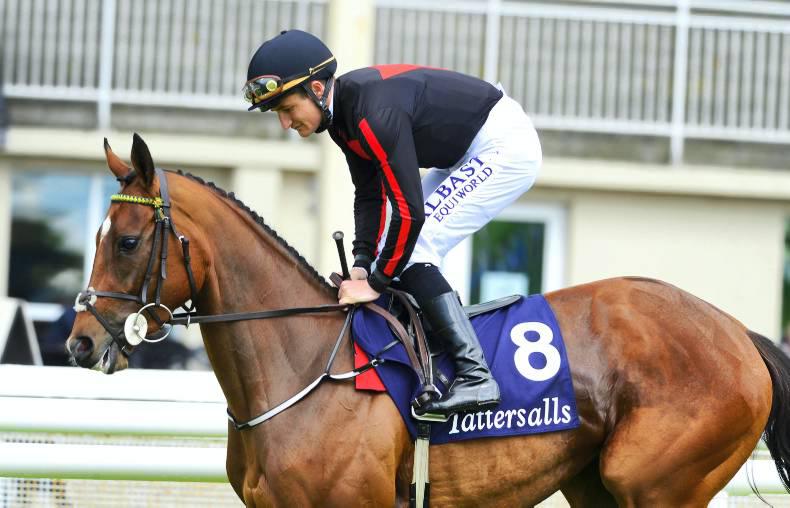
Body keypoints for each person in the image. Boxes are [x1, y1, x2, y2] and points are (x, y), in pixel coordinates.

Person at [243, 30, 542, 417]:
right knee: (393, 248)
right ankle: (425, 349)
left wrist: (375, 283)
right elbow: (370, 194)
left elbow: (409, 212)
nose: (285, 123)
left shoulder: (372, 116)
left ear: (316, 88)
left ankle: (476, 375)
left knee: (412, 245)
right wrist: (362, 262)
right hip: (464, 152)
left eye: (287, 108)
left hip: (504, 145)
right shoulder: (340, 118)